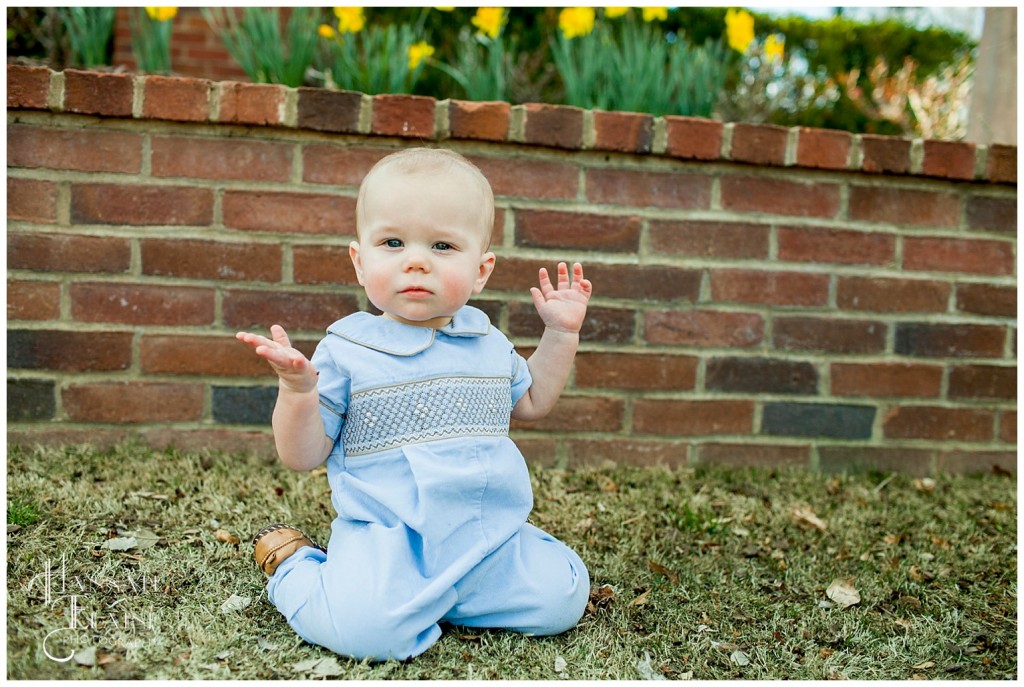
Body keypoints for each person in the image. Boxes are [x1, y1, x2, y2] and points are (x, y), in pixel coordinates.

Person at [235, 147, 593, 662]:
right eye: (393, 242)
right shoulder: (348, 351)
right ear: (360, 261)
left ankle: (449, 596)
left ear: (481, 270)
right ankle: (297, 567)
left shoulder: (487, 342)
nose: (416, 259)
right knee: (366, 634)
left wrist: (560, 334)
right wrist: (298, 393)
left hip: (486, 540)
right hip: (390, 544)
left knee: (563, 597)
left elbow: (533, 401)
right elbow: (303, 455)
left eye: (444, 245)